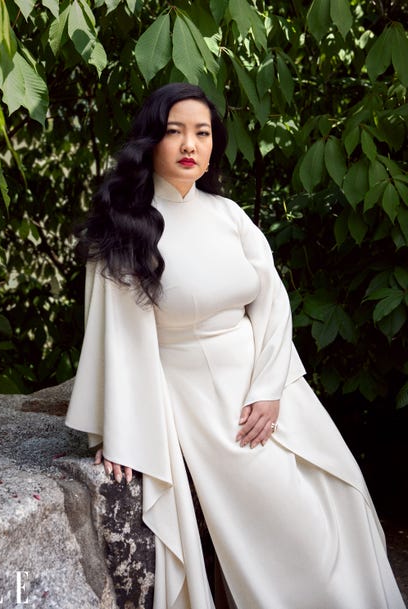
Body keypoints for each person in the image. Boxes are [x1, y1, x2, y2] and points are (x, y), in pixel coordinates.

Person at [65, 83, 406, 609]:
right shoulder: (125, 232)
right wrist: (118, 428)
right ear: (151, 140)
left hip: (271, 387)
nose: (189, 144)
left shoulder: (228, 215)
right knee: (294, 523)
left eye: (202, 133)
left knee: (341, 495)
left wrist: (269, 389)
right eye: (175, 131)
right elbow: (121, 344)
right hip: (203, 406)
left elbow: (272, 302)